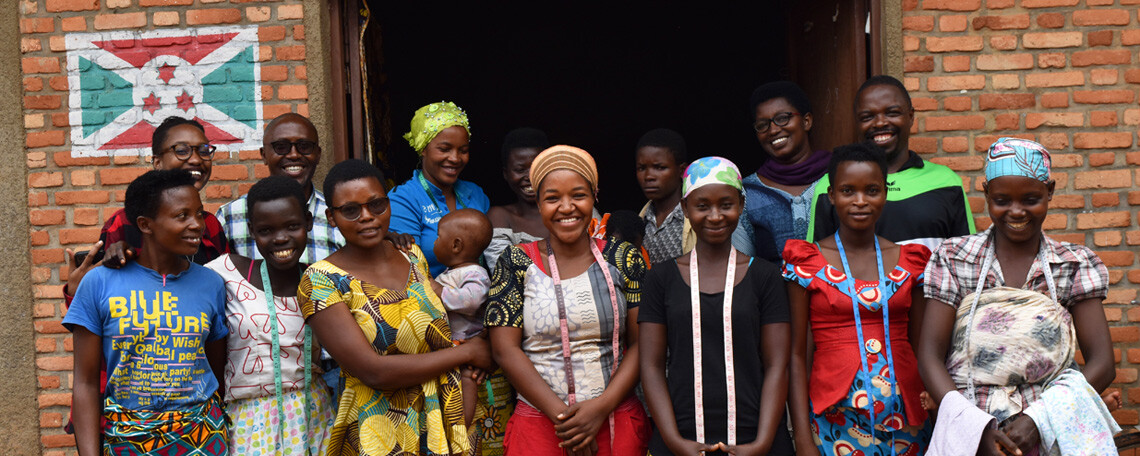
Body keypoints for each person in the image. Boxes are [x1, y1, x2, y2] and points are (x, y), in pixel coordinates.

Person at [918, 138, 1118, 456]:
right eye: (1001, 200)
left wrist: (1039, 420)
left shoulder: (1073, 264)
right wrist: (974, 430)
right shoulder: (955, 258)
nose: (1016, 211)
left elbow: (1103, 364)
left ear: (1049, 191)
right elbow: (929, 355)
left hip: (1052, 435)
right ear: (985, 194)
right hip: (971, 435)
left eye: (1030, 199)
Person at [300, 159, 493, 456]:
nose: (367, 217)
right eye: (351, 210)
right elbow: (373, 371)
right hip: (380, 430)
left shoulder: (413, 256)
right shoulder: (321, 281)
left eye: (376, 205)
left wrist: (472, 347)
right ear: (331, 217)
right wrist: (467, 353)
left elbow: (441, 329)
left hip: (447, 417)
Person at [61, 115, 230, 435]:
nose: (195, 159)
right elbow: (102, 305)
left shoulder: (210, 228)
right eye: (181, 150)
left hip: (193, 417)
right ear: (157, 161)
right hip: (125, 405)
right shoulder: (121, 224)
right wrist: (75, 291)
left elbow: (216, 313)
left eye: (203, 150)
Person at [486, 146, 651, 455]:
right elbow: (504, 350)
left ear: (595, 196)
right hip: (540, 425)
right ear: (538, 202)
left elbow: (643, 343)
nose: (567, 207)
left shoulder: (624, 258)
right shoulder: (515, 262)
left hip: (614, 419)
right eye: (552, 198)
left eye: (578, 195)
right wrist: (568, 421)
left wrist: (599, 409)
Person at [640, 156, 795, 456]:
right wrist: (674, 441)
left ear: (741, 204)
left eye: (726, 204)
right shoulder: (661, 279)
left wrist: (761, 444)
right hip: (682, 435)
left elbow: (778, 365)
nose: (715, 216)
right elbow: (651, 366)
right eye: (702, 206)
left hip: (755, 437)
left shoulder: (765, 276)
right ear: (685, 209)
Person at [785, 143, 932, 456]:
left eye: (872, 190)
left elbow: (923, 347)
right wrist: (801, 437)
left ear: (885, 193)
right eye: (848, 190)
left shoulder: (911, 261)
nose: (860, 201)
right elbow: (797, 355)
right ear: (832, 195)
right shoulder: (807, 263)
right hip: (834, 418)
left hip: (907, 419)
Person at [204, 176, 335, 455]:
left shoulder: (322, 280)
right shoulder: (224, 274)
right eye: (266, 230)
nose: (280, 238)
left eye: (292, 226)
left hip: (313, 414)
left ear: (309, 222)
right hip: (248, 418)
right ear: (251, 230)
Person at [806, 75, 974, 250]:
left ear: (910, 117)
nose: (880, 123)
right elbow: (816, 262)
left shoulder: (945, 181)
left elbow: (967, 260)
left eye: (892, 113)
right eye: (867, 116)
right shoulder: (832, 184)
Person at [215, 112, 345, 264]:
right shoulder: (230, 216)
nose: (294, 155)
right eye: (281, 147)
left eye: (304, 146)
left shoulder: (338, 216)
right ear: (264, 155)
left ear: (318, 154)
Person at [390, 101, 491, 276]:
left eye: (463, 150)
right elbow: (410, 271)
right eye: (444, 149)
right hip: (429, 299)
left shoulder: (475, 194)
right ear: (423, 148)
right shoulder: (403, 199)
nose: (455, 158)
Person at [635, 128, 753, 266]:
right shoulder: (641, 220)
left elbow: (741, 266)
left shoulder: (707, 220)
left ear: (681, 170)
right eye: (641, 168)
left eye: (659, 167)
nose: (649, 176)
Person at [742, 81, 831, 263]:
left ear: (806, 121)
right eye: (763, 125)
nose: (773, 130)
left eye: (782, 118)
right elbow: (744, 267)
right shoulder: (747, 193)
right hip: (772, 292)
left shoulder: (839, 177)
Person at [486, 127, 551, 270]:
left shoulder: (573, 209)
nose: (530, 177)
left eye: (537, 168)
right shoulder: (500, 217)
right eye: (520, 170)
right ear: (506, 174)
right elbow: (504, 273)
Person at [433, 208, 494, 341]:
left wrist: (439, 290)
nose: (434, 242)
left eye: (438, 236)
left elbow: (472, 301)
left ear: (456, 245)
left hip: (466, 339)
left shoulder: (476, 273)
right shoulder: (454, 271)